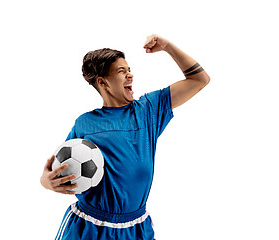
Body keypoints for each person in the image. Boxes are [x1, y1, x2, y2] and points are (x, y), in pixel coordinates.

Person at [40, 34, 210, 240]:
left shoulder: (148, 110)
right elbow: (59, 168)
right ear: (103, 82)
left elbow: (200, 80)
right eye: (122, 71)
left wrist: (168, 47)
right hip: (89, 227)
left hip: (136, 227)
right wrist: (45, 182)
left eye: (129, 70)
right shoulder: (85, 123)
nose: (130, 75)